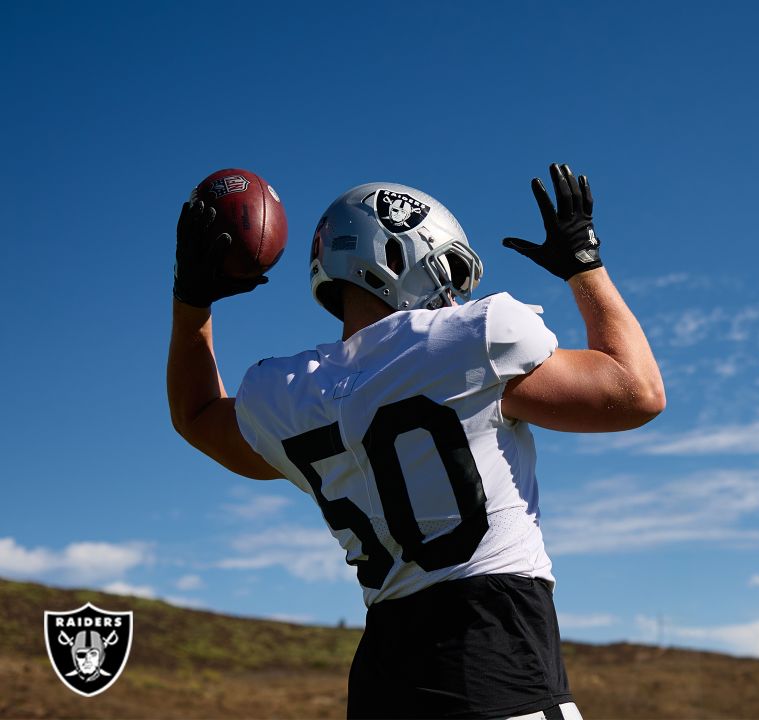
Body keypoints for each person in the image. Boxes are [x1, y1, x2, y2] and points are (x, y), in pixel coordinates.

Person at [167, 164, 665, 719]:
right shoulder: (471, 340)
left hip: (383, 684)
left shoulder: (288, 392)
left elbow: (197, 415)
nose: (452, 294)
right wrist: (584, 265)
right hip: (495, 661)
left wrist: (192, 299)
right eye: (446, 267)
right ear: (392, 255)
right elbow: (637, 392)